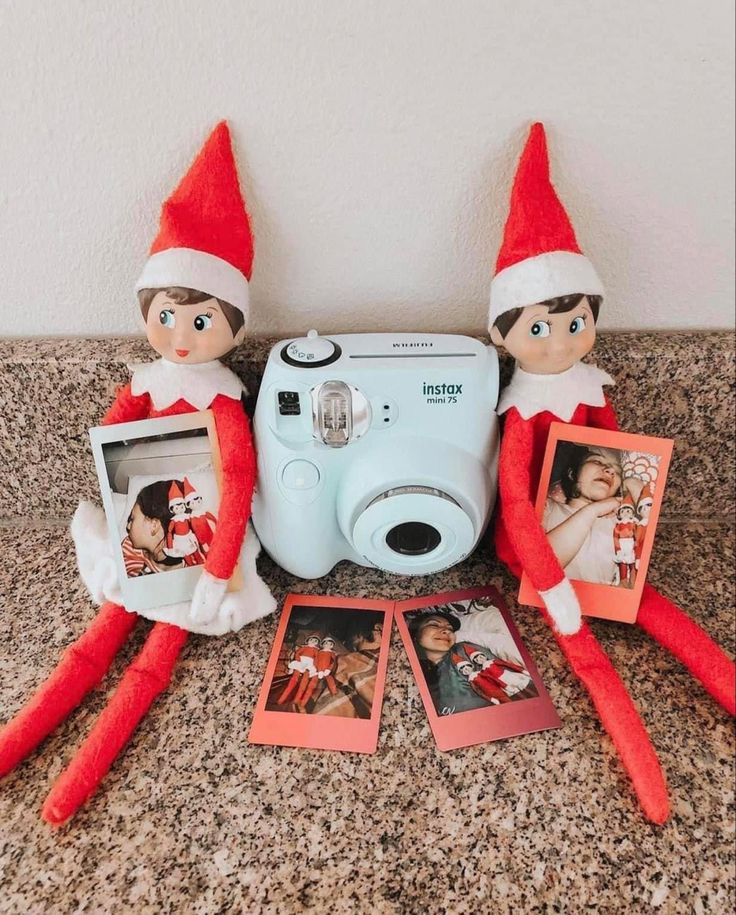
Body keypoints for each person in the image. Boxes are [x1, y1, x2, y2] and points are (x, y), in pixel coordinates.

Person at [0, 122, 276, 825]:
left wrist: (216, 569)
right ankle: (14, 745)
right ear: (148, 313)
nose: (182, 334)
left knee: (154, 662)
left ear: (232, 323)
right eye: (167, 314)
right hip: (144, 528)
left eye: (202, 318)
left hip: (201, 540)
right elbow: (111, 433)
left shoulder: (224, 402)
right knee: (96, 639)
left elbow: (238, 481)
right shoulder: (146, 381)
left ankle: (71, 789)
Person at [488, 121, 734, 823]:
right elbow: (513, 498)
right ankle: (646, 781)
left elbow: (620, 454)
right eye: (538, 328)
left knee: (663, 614)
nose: (561, 341)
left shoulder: (592, 389)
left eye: (574, 322)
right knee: (586, 656)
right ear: (502, 334)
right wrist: (553, 581)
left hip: (603, 541)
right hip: (543, 555)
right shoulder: (522, 412)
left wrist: (629, 519)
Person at [542, 445, 624, 585]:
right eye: (597, 461)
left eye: (617, 471)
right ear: (572, 474)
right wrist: (594, 510)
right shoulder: (547, 507)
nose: (610, 471)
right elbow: (542, 568)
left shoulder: (620, 522)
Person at [408, 611, 497, 715]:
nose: (446, 630)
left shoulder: (465, 651)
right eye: (434, 625)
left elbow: (509, 681)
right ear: (416, 636)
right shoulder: (413, 676)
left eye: (450, 629)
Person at [122, 480, 186, 577]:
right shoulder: (130, 548)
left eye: (132, 519)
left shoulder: (189, 566)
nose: (128, 526)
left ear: (154, 525)